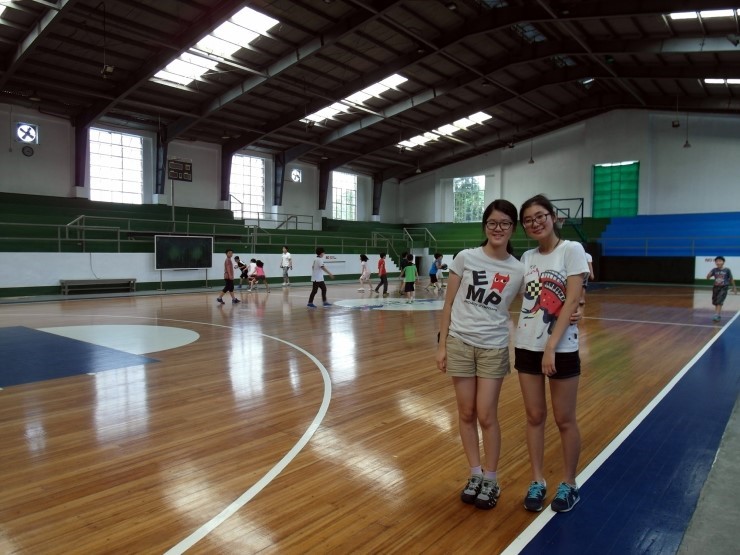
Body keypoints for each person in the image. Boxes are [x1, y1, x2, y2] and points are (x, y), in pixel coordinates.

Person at [436, 199, 525, 510]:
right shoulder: (465, 257)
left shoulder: (518, 269)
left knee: (486, 414)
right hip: (460, 342)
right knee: (466, 413)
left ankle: (491, 477)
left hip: (493, 347)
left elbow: (536, 302)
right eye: (492, 223)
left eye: (504, 223)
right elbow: (448, 303)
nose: (498, 228)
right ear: (485, 226)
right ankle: (474, 474)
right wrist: (442, 345)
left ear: (513, 228)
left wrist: (574, 307)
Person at [515, 194, 589, 514]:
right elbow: (526, 298)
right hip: (526, 346)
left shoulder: (571, 249)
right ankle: (537, 480)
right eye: (528, 220)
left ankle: (569, 483)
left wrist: (550, 347)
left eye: (540, 216)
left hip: (561, 348)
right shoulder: (526, 257)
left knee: (564, 418)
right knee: (534, 417)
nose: (535, 223)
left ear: (553, 217)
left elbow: (572, 298)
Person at [706, 255, 737, 321]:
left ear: (723, 262)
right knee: (715, 302)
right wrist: (708, 275)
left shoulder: (727, 270)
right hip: (715, 287)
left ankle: (717, 315)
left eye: (720, 261)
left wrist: (734, 287)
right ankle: (717, 314)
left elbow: (731, 279)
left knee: (719, 301)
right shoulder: (714, 270)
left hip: (724, 287)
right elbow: (708, 278)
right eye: (717, 261)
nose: (718, 262)